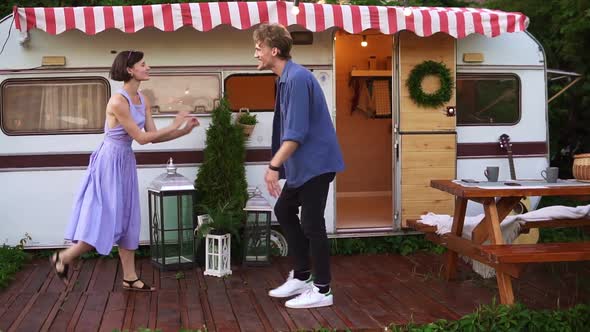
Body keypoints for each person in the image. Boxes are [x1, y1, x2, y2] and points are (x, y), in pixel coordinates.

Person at [49, 50, 199, 291]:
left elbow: (151, 137)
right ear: (130, 70)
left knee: (128, 217)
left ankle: (129, 276)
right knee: (107, 217)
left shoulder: (142, 98)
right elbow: (140, 137)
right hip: (109, 162)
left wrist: (183, 131)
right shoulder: (118, 101)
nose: (148, 67)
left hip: (125, 160)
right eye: (143, 64)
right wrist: (173, 124)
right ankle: (64, 257)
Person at [253, 23, 344, 309]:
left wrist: (273, 166)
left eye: (259, 48)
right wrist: (281, 168)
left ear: (274, 50)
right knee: (284, 209)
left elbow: (297, 133)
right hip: (302, 166)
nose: (255, 53)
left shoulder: (296, 79)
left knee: (312, 224)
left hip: (316, 163)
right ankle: (303, 275)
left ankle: (323, 289)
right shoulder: (286, 78)